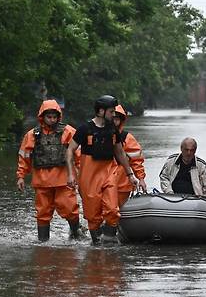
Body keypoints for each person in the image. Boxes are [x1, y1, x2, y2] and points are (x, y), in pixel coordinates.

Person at [66, 95, 139, 244]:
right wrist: (70, 174)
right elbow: (70, 150)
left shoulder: (113, 130)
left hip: (108, 171)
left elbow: (119, 152)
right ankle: (96, 244)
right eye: (111, 112)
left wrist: (130, 174)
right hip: (89, 174)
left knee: (112, 209)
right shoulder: (84, 129)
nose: (114, 115)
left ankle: (110, 239)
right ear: (100, 111)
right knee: (93, 216)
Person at [16, 100, 83, 242]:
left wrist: (81, 175)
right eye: (49, 117)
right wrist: (21, 176)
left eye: (54, 117)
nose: (52, 120)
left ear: (58, 117)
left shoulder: (69, 132)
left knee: (70, 208)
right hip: (41, 182)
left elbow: (78, 155)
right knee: (42, 212)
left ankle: (76, 234)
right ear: (42, 117)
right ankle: (43, 241)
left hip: (64, 180)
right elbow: (24, 157)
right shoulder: (32, 135)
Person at [112, 105, 147, 206]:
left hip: (122, 182)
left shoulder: (127, 138)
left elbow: (136, 160)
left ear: (121, 121)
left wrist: (141, 179)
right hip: (102, 180)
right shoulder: (97, 136)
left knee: (118, 212)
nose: (114, 122)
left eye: (117, 119)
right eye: (112, 118)